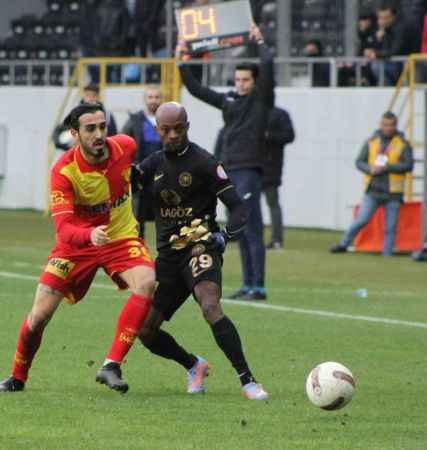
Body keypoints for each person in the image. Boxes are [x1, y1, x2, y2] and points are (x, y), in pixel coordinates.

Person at [0, 103, 156, 393]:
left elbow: (142, 165)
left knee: (146, 283)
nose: (99, 134)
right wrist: (89, 235)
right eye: (90, 128)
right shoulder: (63, 172)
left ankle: (111, 365)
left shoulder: (126, 146)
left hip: (120, 238)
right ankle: (17, 376)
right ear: (74, 133)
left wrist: (136, 174)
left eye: (102, 126)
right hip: (76, 247)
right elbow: (64, 229)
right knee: (39, 316)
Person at [132, 102, 269, 400]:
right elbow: (128, 197)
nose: (172, 135)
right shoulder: (151, 165)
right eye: (166, 130)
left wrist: (224, 236)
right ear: (158, 130)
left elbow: (239, 208)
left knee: (209, 306)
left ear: (187, 127)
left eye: (178, 129)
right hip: (168, 257)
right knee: (145, 330)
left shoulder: (205, 163)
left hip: (200, 248)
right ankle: (193, 365)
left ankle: (248, 381)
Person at [177, 24, 274, 301]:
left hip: (249, 170)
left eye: (245, 80)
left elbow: (267, 64)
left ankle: (259, 286)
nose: (240, 83)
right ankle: (248, 284)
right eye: (237, 79)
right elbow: (197, 90)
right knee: (240, 228)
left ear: (255, 82)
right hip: (231, 171)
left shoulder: (261, 100)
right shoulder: (230, 101)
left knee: (252, 227)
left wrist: (259, 41)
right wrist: (182, 60)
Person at [330, 111, 414, 257]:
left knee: (390, 226)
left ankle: (386, 254)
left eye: (391, 125)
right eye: (385, 125)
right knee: (361, 220)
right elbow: (359, 161)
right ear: (381, 125)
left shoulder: (403, 144)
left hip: (393, 192)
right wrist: (369, 169)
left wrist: (387, 167)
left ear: (396, 126)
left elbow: (408, 165)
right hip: (373, 190)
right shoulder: (371, 142)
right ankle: (343, 244)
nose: (388, 128)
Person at [122, 85, 163, 237]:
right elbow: (122, 144)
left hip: (162, 176)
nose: (153, 100)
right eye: (150, 97)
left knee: (166, 218)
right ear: (145, 100)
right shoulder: (134, 120)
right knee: (137, 219)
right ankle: (137, 254)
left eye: (156, 97)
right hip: (140, 176)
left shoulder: (167, 119)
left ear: (161, 99)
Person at [263, 106, 295, 250]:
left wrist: (269, 135)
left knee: (272, 203)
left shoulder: (279, 114)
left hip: (270, 167)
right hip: (249, 165)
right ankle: (244, 236)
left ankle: (276, 239)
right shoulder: (248, 110)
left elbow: (290, 136)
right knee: (243, 203)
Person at [363, 4, 418, 86]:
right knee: (372, 64)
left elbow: (396, 50)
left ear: (393, 17)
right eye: (380, 18)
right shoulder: (384, 29)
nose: (382, 21)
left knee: (377, 67)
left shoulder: (401, 28)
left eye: (385, 18)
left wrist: (376, 54)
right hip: (396, 64)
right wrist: (376, 44)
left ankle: (388, 89)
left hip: (405, 65)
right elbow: (383, 49)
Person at [53, 84, 117, 152]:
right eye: (87, 95)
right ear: (83, 96)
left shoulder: (107, 116)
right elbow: (60, 132)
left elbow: (113, 137)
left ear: (98, 97)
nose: (90, 99)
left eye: (94, 96)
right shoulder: (75, 115)